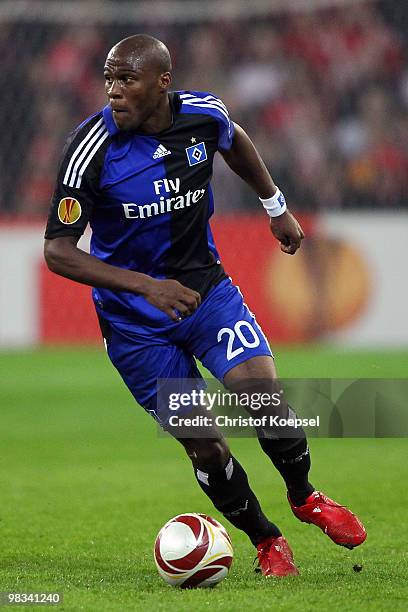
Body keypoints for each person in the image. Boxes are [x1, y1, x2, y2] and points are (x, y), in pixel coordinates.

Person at [44, 34, 366, 577]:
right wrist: (146, 287)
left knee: (263, 396)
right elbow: (56, 251)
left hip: (206, 292)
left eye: (127, 79)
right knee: (207, 447)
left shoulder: (201, 114)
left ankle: (305, 496)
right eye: (108, 79)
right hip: (135, 325)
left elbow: (233, 138)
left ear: (162, 82)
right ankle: (266, 540)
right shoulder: (91, 149)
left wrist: (275, 205)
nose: (114, 91)